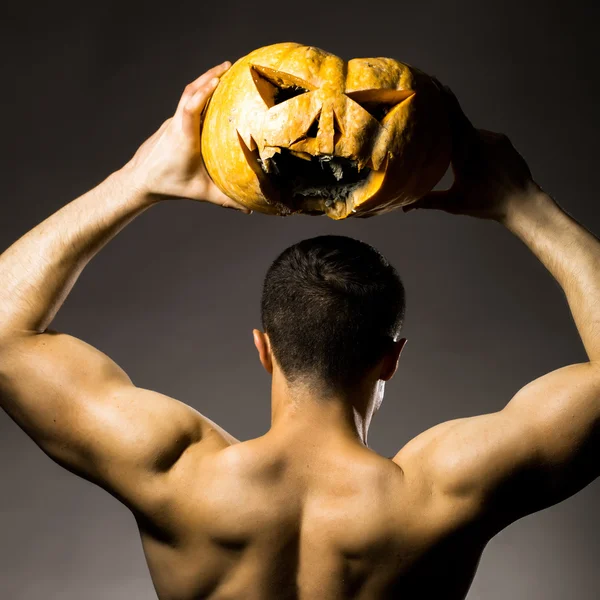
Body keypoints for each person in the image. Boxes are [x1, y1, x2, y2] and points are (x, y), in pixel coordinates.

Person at [0, 60, 598, 600]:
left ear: (265, 348)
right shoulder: (443, 496)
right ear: (392, 357)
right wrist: (525, 204)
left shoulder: (177, 474)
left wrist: (137, 180)